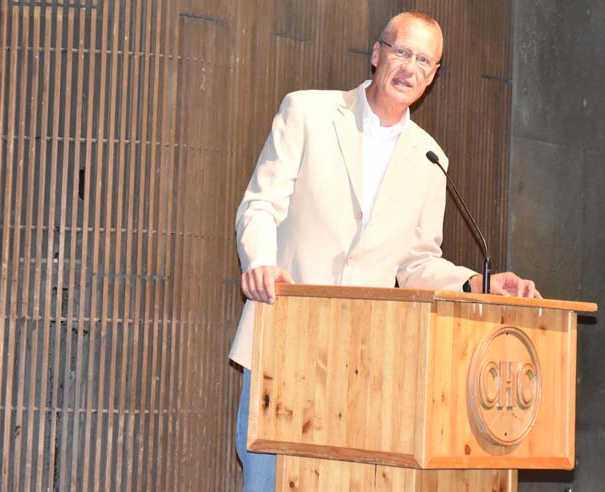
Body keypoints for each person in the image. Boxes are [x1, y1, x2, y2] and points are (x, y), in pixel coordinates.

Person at [230, 11, 541, 491]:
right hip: (285, 341)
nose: (409, 67)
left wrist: (479, 282)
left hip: (365, 361)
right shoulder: (308, 112)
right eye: (401, 51)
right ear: (377, 54)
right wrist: (260, 263)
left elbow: (417, 262)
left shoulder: (430, 157)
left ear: (433, 76)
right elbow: (260, 205)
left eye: (424, 60)